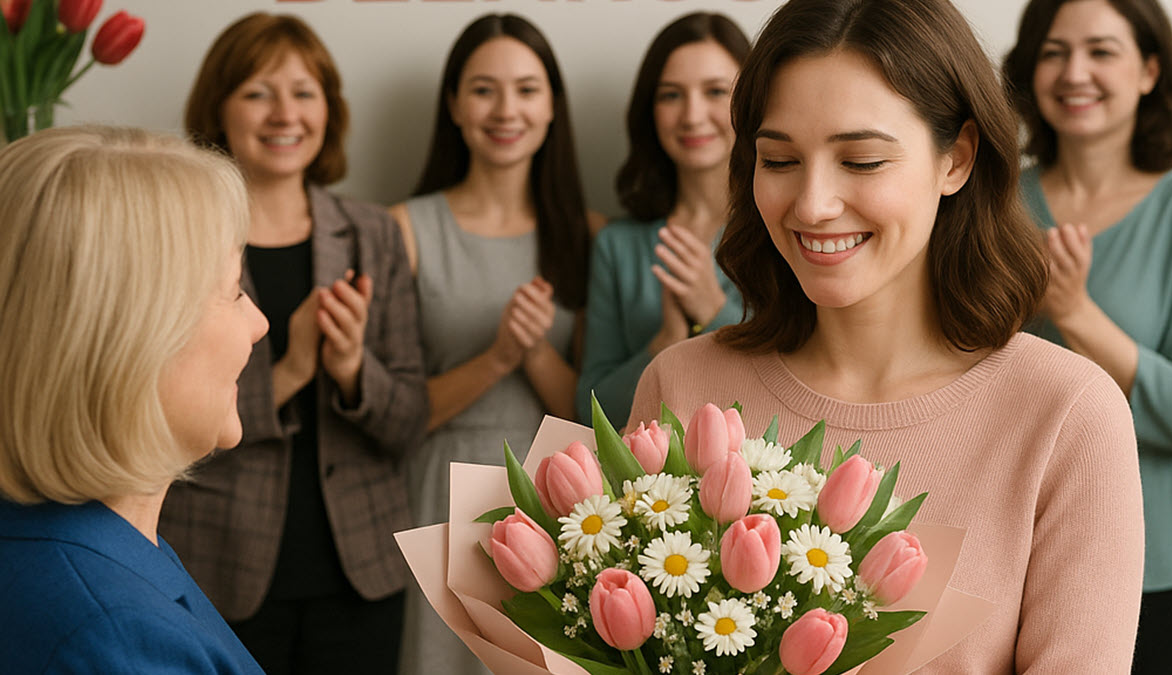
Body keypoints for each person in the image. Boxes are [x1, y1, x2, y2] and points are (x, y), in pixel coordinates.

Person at [627, 0, 1143, 670]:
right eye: (779, 160)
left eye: (862, 161)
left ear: (956, 158)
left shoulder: (1066, 414)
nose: (811, 204)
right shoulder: (681, 384)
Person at [158, 14, 427, 675]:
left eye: (304, 92)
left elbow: (410, 420)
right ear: (217, 109)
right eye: (257, 92)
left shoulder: (373, 234)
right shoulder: (181, 239)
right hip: (219, 567)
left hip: (360, 574)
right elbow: (160, 420)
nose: (285, 113)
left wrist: (351, 369)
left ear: (329, 111)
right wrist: (291, 369)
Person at [0, 126, 268, 673]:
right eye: (235, 290)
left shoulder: (85, 551)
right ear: (136, 341)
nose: (259, 323)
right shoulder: (115, 637)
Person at [388, 13, 600, 675]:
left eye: (527, 89)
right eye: (483, 89)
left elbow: (594, 413)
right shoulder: (405, 227)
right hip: (438, 494)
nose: (505, 109)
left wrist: (533, 353)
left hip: (558, 497)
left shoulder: (592, 235)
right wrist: (498, 357)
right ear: (453, 104)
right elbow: (394, 412)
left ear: (552, 108)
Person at [1003, 0, 1172, 671]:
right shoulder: (992, 202)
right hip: (1008, 543)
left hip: (1160, 559)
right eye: (1054, 52)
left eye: (1101, 51)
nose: (1074, 71)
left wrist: (1075, 309)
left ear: (1149, 71)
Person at [576, 12, 750, 426]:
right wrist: (665, 343)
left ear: (751, 101)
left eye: (714, 91)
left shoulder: (788, 227)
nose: (691, 115)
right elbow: (588, 408)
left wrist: (713, 311)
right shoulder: (618, 245)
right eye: (671, 95)